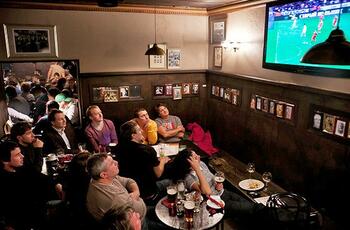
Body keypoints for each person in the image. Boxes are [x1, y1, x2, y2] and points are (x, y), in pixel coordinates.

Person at [167, 149, 265, 218]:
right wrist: (197, 169)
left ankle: (274, 213)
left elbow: (213, 178)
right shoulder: (188, 178)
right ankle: (276, 213)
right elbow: (207, 192)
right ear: (190, 164)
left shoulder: (201, 164)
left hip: (223, 192)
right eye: (196, 157)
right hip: (216, 203)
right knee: (253, 208)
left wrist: (218, 185)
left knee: (252, 206)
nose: (199, 157)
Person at [0, 140, 52, 230]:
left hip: (38, 213)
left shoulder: (22, 168)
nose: (22, 156)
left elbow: (41, 177)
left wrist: (56, 184)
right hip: (21, 222)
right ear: (5, 161)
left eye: (20, 153)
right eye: (17, 155)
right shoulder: (3, 182)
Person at [118, 121, 171, 206]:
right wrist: (163, 160)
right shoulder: (147, 150)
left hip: (130, 190)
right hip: (149, 194)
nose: (142, 131)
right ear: (133, 135)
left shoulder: (119, 148)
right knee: (172, 180)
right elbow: (158, 173)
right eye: (139, 130)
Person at [86, 153, 147, 223]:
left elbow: (128, 181)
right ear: (104, 174)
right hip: (135, 224)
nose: (116, 162)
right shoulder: (116, 198)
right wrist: (137, 197)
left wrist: (136, 192)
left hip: (131, 211)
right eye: (112, 163)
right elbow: (141, 210)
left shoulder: (98, 179)